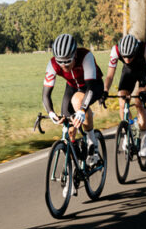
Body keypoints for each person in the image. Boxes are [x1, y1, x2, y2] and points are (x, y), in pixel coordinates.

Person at [43, 33, 106, 165]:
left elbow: (89, 88)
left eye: (67, 61)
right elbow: (46, 94)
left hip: (93, 86)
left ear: (75, 55)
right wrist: (51, 113)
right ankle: (74, 171)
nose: (64, 65)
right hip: (72, 86)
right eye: (60, 61)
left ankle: (92, 142)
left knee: (78, 101)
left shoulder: (85, 56)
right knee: (68, 131)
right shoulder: (53, 64)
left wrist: (82, 110)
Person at [103, 33, 146, 158]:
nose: (127, 59)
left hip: (144, 73)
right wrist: (105, 90)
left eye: (130, 56)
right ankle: (130, 131)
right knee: (122, 101)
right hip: (129, 72)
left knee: (139, 103)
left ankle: (144, 141)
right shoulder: (116, 49)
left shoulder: (145, 48)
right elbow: (110, 75)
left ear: (135, 50)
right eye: (124, 56)